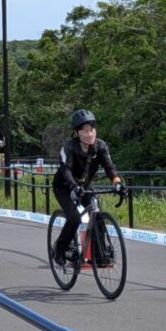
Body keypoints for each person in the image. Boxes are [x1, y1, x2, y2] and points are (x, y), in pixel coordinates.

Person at [51, 109, 126, 266]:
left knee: (96, 214)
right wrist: (73, 186)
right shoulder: (68, 147)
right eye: (84, 131)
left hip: (84, 185)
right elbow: (66, 170)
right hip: (64, 186)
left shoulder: (100, 146)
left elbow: (109, 167)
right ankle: (60, 249)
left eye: (92, 130)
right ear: (76, 133)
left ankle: (99, 255)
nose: (89, 134)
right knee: (74, 218)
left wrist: (117, 182)